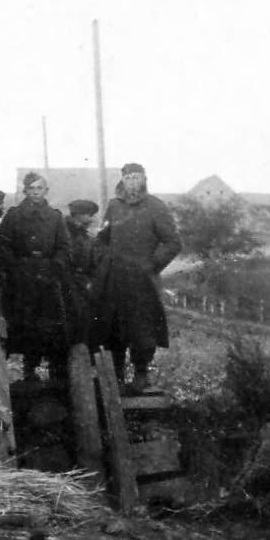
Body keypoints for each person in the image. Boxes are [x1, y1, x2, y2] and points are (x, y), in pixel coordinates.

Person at [90, 162, 182, 391]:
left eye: (136, 177)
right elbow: (102, 238)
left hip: (142, 280)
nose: (132, 182)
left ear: (144, 179)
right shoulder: (114, 206)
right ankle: (116, 376)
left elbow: (173, 243)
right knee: (113, 327)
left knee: (142, 328)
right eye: (128, 178)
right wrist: (104, 258)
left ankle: (141, 374)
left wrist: (150, 265)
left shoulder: (156, 207)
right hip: (114, 278)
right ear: (123, 181)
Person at [0, 172, 72, 381]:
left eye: (40, 188)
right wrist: (15, 268)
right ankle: (28, 367)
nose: (36, 193)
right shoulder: (14, 215)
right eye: (32, 189)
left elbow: (65, 247)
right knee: (24, 323)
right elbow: (3, 244)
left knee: (50, 324)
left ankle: (55, 369)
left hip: (47, 278)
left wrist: (54, 267)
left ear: (46, 191)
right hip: (22, 279)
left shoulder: (55, 217)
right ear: (25, 191)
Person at [64, 199, 100, 346]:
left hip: (82, 284)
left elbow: (91, 262)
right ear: (78, 215)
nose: (92, 219)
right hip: (69, 283)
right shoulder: (65, 233)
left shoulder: (84, 235)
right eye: (89, 215)